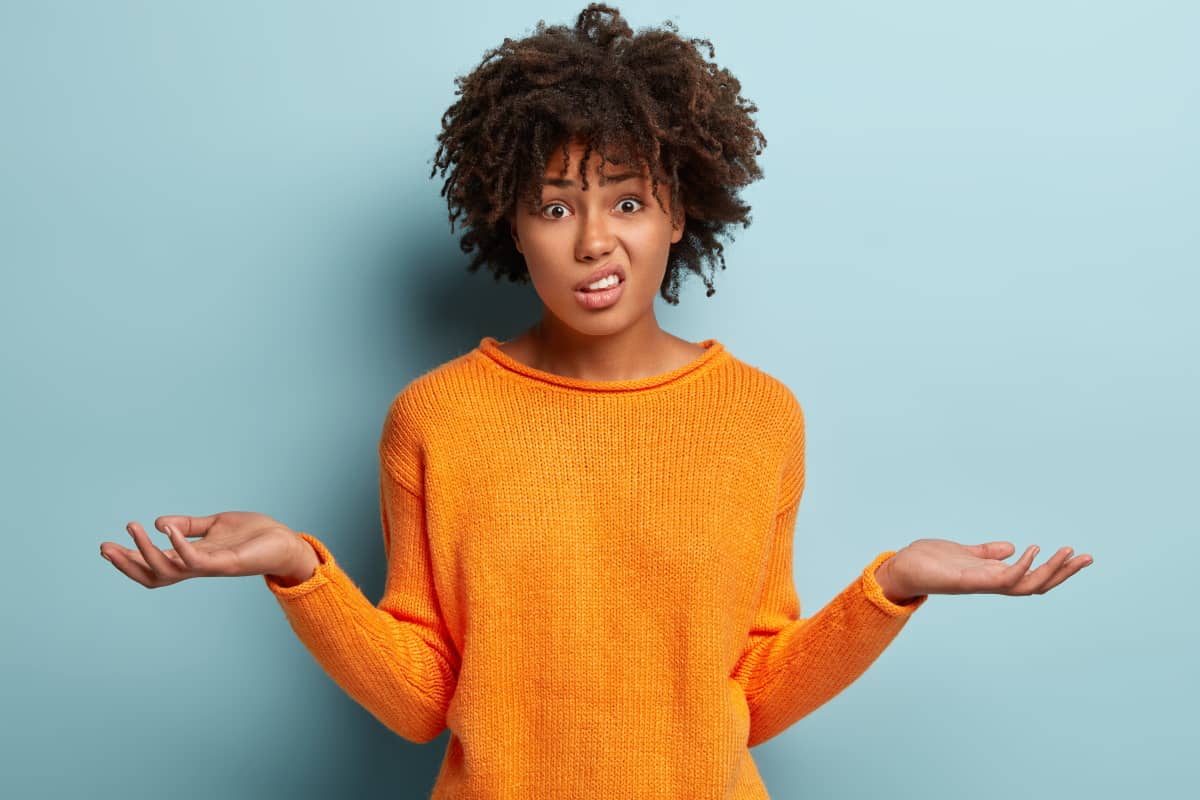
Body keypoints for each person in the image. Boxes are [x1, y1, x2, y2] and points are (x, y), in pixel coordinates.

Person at [98, 4, 1092, 797]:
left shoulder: (759, 416)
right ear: (511, 223)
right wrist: (299, 569)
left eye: (625, 200)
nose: (593, 242)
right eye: (555, 204)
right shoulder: (435, 418)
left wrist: (895, 586)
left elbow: (747, 691)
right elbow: (423, 701)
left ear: (678, 211)